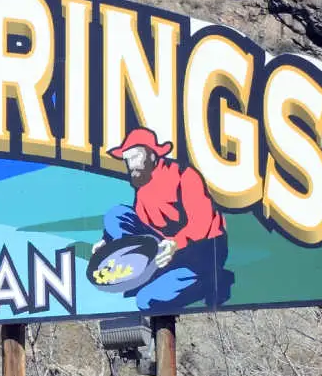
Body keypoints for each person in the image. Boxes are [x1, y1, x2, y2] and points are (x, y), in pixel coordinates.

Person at [98, 127, 233, 313]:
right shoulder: (142, 181)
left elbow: (201, 223)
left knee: (146, 301)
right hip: (164, 246)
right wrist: (107, 241)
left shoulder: (184, 175)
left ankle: (216, 280)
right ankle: (141, 270)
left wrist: (176, 244)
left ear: (152, 155)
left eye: (135, 157)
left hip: (202, 250)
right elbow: (142, 219)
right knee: (116, 214)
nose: (131, 164)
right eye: (127, 159)